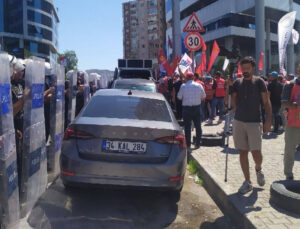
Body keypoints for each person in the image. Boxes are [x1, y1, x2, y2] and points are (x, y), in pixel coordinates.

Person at [231, 56, 272, 194]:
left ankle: (258, 169)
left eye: (248, 68)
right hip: (239, 122)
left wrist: (268, 121)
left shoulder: (259, 82)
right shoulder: (237, 82)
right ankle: (247, 182)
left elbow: (266, 103)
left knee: (256, 152)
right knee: (242, 151)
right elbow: (232, 102)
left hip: (254, 122)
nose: (245, 71)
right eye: (243, 68)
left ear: (253, 68)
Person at [177, 72, 206, 152]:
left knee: (187, 127)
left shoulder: (183, 86)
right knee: (198, 126)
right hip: (197, 108)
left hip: (186, 109)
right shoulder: (199, 85)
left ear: (186, 78)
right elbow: (203, 97)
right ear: (193, 78)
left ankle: (188, 144)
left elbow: (179, 97)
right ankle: (198, 143)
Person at [281, 64, 300, 180]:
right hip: (293, 123)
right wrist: (297, 104)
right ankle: (288, 175)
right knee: (289, 150)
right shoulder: (290, 85)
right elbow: (283, 103)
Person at [11, 60, 26, 185]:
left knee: (20, 156)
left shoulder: (21, 84)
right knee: (15, 158)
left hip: (21, 124)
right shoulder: (7, 85)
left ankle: (19, 183)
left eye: (23, 71)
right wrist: (24, 98)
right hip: (12, 125)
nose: (22, 73)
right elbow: (11, 111)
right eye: (20, 70)